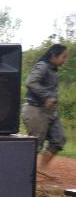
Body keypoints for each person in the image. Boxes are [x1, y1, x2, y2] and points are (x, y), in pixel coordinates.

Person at [23, 44, 68, 178]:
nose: (65, 60)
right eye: (63, 57)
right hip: (35, 110)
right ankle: (23, 175)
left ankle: (42, 168)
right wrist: (47, 95)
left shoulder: (52, 69)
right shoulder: (42, 66)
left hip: (50, 112)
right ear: (53, 56)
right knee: (36, 145)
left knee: (59, 139)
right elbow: (30, 82)